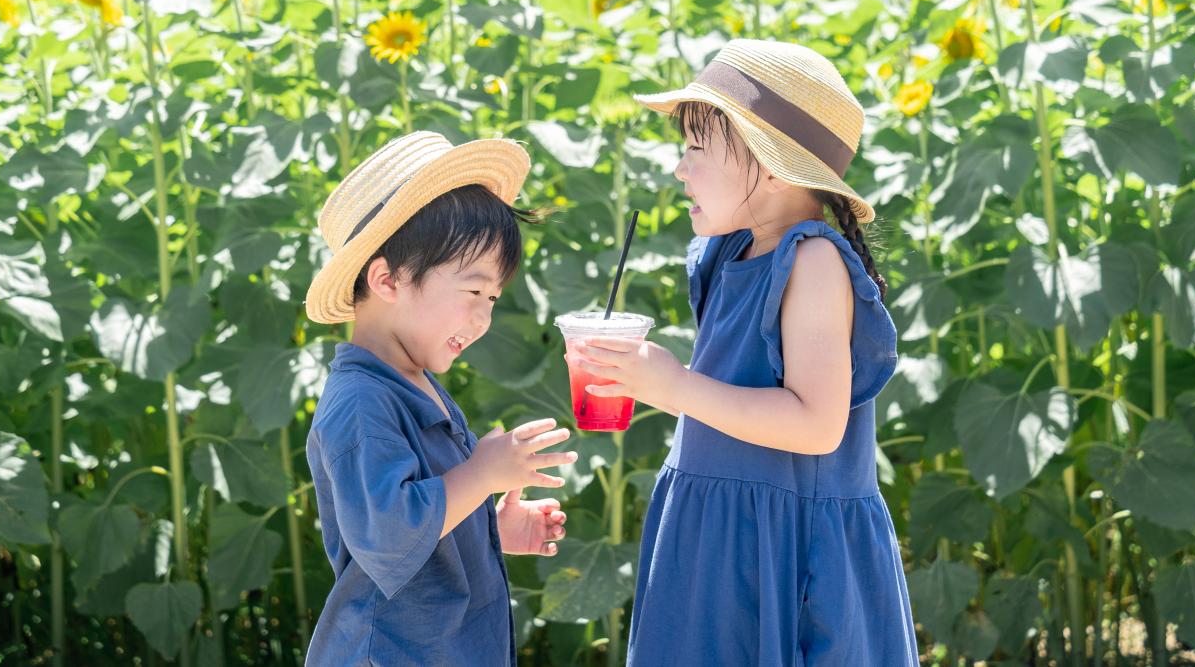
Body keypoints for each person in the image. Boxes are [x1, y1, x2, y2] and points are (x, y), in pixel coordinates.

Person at [567, 40, 918, 664]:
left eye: (697, 149)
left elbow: (816, 425)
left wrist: (674, 388)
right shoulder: (729, 253)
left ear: (774, 166)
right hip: (718, 539)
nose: (681, 169)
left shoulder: (811, 262)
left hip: (785, 558)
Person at [303, 131, 577, 665]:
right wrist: (481, 476)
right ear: (387, 278)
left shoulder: (413, 377)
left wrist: (489, 528)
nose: (484, 318)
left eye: (493, 298)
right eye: (473, 292)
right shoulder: (360, 402)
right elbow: (387, 535)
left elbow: (426, 521)